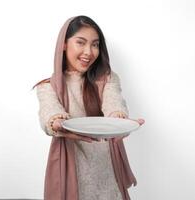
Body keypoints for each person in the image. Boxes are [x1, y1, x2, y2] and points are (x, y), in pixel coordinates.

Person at [33, 15, 145, 200]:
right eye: (81, 43)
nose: (89, 52)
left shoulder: (107, 78)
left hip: (107, 165)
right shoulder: (47, 86)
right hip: (71, 165)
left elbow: (113, 101)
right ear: (64, 44)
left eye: (95, 44)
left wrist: (118, 118)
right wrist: (56, 122)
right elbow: (49, 112)